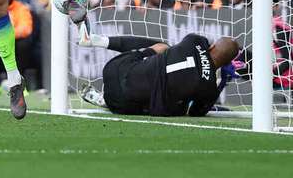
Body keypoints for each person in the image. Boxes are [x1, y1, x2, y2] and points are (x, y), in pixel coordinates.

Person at [78, 25, 239, 117]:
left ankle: (103, 41)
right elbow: (196, 112)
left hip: (113, 69)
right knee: (180, 105)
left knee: (164, 47)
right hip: (122, 105)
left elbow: (192, 53)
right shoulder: (209, 87)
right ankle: (106, 100)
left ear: (212, 46)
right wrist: (222, 81)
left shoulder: (194, 40)